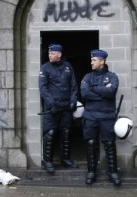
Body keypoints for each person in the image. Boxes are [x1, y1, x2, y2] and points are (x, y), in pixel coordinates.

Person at [81, 49, 121, 186]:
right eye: (91, 60)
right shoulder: (87, 77)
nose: (91, 62)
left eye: (94, 60)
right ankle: (91, 172)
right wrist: (103, 90)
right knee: (91, 143)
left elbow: (111, 92)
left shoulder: (112, 76)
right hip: (91, 115)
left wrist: (94, 88)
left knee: (109, 144)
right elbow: (85, 94)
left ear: (102, 61)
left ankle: (113, 172)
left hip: (107, 116)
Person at [38, 43, 78, 175]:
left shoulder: (68, 67)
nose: (50, 55)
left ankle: (65, 159)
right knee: (49, 134)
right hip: (52, 109)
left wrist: (73, 101)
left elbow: (73, 86)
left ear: (59, 54)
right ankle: (48, 161)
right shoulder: (45, 68)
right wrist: (51, 104)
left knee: (66, 133)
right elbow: (43, 88)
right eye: (49, 53)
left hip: (66, 107)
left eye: (52, 53)